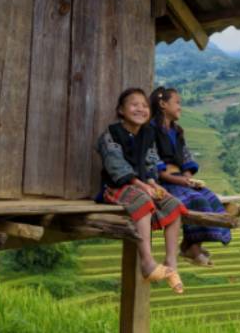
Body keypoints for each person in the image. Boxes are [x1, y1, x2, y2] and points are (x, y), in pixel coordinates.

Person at [96, 87, 186, 293]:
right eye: (134, 105)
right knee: (143, 200)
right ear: (121, 110)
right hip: (116, 187)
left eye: (144, 106)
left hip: (143, 184)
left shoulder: (148, 134)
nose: (140, 109)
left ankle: (171, 262)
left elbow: (151, 163)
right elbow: (117, 169)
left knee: (173, 204)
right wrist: (144, 186)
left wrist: (154, 183)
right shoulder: (111, 135)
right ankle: (147, 262)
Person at [149, 86, 231, 267]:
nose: (180, 107)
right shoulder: (150, 131)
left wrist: (189, 179)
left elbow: (186, 160)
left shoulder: (177, 132)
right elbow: (155, 167)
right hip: (162, 182)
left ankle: (190, 244)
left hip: (180, 180)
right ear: (163, 104)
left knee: (211, 198)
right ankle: (191, 248)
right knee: (196, 200)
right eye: (177, 103)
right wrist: (183, 181)